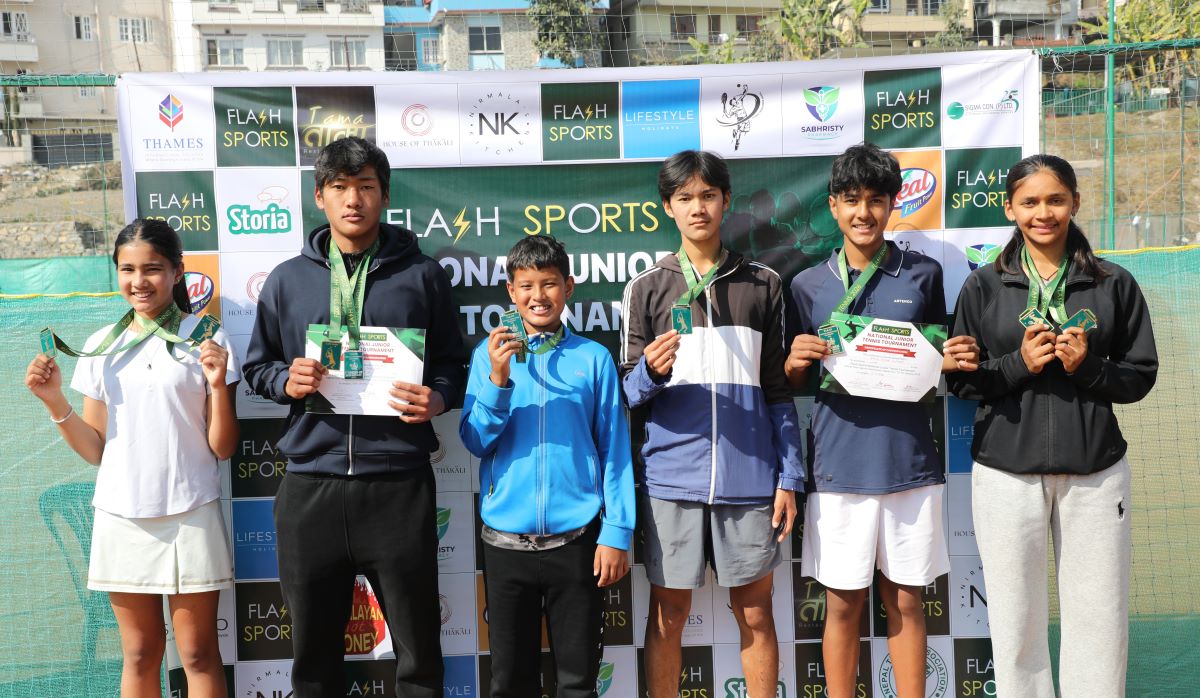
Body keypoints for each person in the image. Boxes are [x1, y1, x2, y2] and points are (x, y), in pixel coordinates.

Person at [242, 136, 466, 697]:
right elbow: (257, 367)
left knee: (419, 654)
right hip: (310, 486)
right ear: (320, 196)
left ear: (385, 196)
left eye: (366, 186)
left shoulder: (423, 275)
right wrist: (284, 381)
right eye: (340, 187)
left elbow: (454, 365)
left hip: (397, 486)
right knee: (313, 661)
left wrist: (437, 399)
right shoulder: (287, 279)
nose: (353, 199)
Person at [947, 154, 1157, 697]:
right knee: (1014, 618)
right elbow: (963, 383)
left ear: (1075, 203)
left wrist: (1087, 367)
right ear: (1010, 208)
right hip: (1005, 474)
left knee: (1099, 617)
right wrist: (1019, 364)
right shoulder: (983, 287)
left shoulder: (1113, 283)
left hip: (1095, 474)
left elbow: (1139, 378)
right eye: (1030, 202)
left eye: (1056, 200)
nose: (1044, 213)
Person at [783, 143, 980, 698]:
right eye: (851, 200)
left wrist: (949, 358)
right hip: (837, 469)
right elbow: (793, 383)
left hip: (910, 463)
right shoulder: (806, 285)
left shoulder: (924, 273)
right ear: (833, 206)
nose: (863, 212)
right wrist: (794, 362)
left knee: (907, 601)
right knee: (843, 605)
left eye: (875, 200)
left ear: (894, 204)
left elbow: (935, 359)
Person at [25, 219, 239, 697]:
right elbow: (94, 449)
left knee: (199, 654)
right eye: (128, 269)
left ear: (178, 271)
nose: (139, 281)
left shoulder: (208, 338)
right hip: (121, 516)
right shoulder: (102, 345)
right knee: (140, 654)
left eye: (152, 269)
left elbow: (223, 447)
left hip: (191, 513)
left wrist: (219, 386)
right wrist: (54, 401)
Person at [620, 150, 804, 698]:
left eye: (707, 195)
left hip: (750, 480)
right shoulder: (646, 288)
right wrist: (651, 373)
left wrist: (789, 476)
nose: (697, 208)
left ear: (726, 200)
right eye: (684, 198)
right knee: (668, 614)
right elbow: (625, 394)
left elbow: (778, 392)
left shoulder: (764, 284)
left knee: (756, 613)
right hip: (670, 480)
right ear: (668, 207)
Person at [459, 235, 635, 698]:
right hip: (505, 544)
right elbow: (475, 441)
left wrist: (616, 531)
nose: (538, 296)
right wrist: (498, 380)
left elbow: (614, 449)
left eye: (550, 284)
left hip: (577, 543)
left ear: (568, 287)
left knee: (577, 682)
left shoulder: (593, 358)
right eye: (526, 286)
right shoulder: (486, 356)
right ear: (511, 292)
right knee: (509, 682)